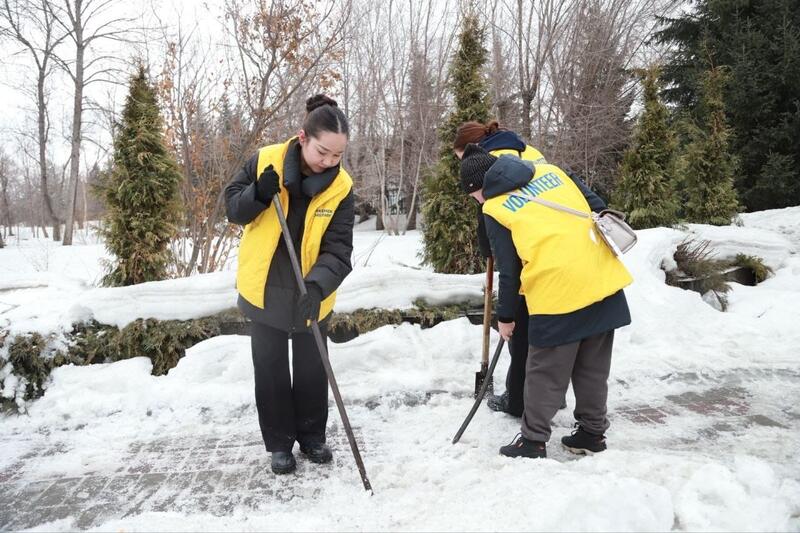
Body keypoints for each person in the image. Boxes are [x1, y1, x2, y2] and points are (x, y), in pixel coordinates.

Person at [458, 143, 632, 458]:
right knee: (592, 368)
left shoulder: (495, 208)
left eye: (474, 196)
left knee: (544, 371)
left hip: (558, 291)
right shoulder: (551, 171)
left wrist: (506, 317)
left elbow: (509, 271)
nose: (477, 202)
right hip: (601, 276)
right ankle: (592, 433)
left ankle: (533, 441)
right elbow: (597, 205)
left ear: (481, 187)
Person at [224, 94, 355, 475]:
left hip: (310, 292)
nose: (328, 161)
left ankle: (312, 436)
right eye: (322, 152)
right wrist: (257, 195)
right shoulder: (266, 160)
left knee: (313, 368)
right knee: (271, 370)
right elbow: (233, 209)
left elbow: (339, 249)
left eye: (337, 154)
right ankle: (280, 443)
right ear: (302, 138)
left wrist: (317, 288)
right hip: (265, 286)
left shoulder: (341, 186)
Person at [453, 120, 551, 418]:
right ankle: (548, 392)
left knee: (519, 329)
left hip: (523, 249)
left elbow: (490, 212)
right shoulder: (525, 150)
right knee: (543, 331)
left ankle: (518, 397)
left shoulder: (490, 164)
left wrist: (490, 250)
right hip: (549, 241)